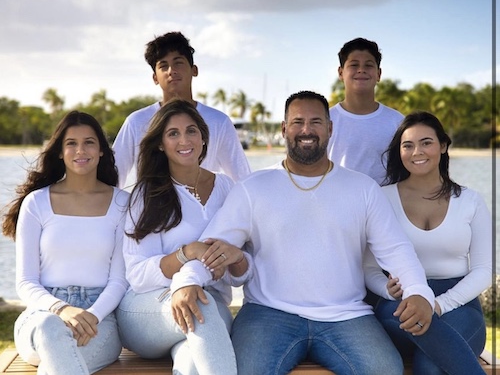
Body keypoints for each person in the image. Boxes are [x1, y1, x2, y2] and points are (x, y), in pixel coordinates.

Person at [182, 90, 435, 374]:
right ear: (284, 129)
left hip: (346, 315)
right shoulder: (252, 188)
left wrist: (418, 291)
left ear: (329, 128)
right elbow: (214, 247)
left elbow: (395, 249)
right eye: (297, 122)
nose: (306, 130)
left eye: (316, 122)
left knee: (386, 370)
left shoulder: (363, 189)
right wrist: (189, 279)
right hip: (268, 314)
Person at [115, 99, 251, 375]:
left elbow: (240, 273)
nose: (184, 139)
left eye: (191, 131)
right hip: (149, 309)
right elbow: (138, 276)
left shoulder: (228, 188)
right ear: (160, 144)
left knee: (190, 363)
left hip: (211, 305)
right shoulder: (146, 194)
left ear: (203, 138)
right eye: (173, 133)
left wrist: (237, 260)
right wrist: (187, 253)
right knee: (202, 308)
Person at [1, 111, 129, 375]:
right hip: (42, 314)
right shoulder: (36, 203)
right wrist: (62, 309)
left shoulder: (122, 203)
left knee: (57, 364)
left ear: (102, 151)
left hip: (100, 318)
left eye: (89, 142)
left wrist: (92, 315)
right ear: (60, 151)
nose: (80, 150)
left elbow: (120, 280)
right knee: (51, 330)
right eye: (71, 143)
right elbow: (26, 282)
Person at [364, 111, 491, 375]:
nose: (416, 152)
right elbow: (368, 269)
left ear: (443, 146)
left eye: (426, 143)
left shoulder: (471, 201)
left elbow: (484, 270)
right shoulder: (381, 198)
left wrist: (438, 304)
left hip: (459, 303)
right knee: (427, 345)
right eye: (407, 145)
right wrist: (387, 290)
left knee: (430, 366)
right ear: (399, 151)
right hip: (399, 303)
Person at [113, 31, 251, 188]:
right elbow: (113, 177)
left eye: (178, 62)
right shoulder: (136, 122)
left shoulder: (219, 121)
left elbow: (243, 179)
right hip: (153, 209)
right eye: (163, 66)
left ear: (194, 70)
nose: (171, 70)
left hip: (206, 209)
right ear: (155, 78)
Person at [327, 37, 404, 184]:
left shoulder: (397, 122)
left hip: (384, 204)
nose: (361, 70)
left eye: (368, 65)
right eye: (354, 65)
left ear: (379, 74)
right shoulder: (325, 120)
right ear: (341, 73)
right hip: (336, 204)